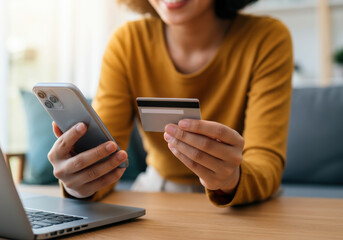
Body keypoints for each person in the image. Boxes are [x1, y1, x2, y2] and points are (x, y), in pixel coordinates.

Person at [48, 0, 293, 207]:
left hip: (244, 199)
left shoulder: (267, 38)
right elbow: (104, 158)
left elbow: (266, 163)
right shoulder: (128, 42)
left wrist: (232, 179)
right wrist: (79, 185)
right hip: (156, 190)